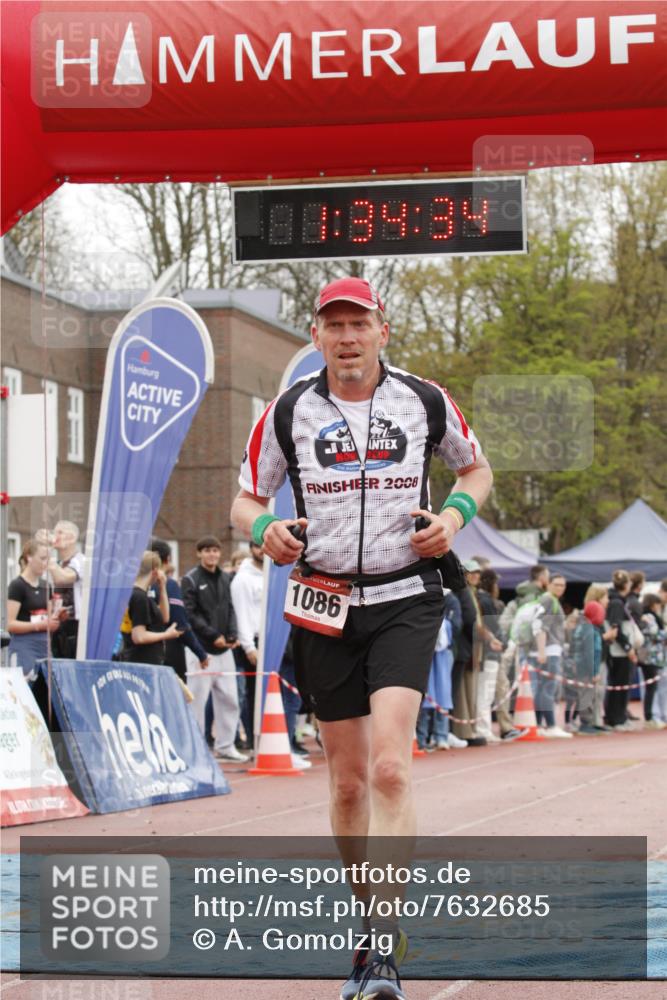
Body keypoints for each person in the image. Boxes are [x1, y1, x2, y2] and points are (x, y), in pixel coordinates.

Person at [231, 275, 493, 1000]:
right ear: (315, 336)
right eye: (333, 325)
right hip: (324, 604)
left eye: (359, 324)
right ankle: (365, 925)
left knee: (388, 769)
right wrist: (263, 529)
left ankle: (385, 945)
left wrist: (455, 514)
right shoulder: (286, 413)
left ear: (382, 330)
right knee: (346, 783)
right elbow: (245, 496)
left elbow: (475, 465)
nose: (347, 338)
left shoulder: (424, 399)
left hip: (406, 595)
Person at [181, 536, 249, 763]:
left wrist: (231, 635)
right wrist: (213, 636)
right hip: (200, 651)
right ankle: (196, 748)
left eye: (215, 551)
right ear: (199, 553)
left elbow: (231, 608)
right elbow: (190, 614)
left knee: (230, 699)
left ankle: (226, 746)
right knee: (197, 701)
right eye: (207, 550)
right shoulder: (190, 579)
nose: (212, 555)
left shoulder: (226, 578)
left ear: (220, 553)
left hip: (224, 650)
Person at [149, 538, 208, 681]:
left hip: (137, 653)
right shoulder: (169, 585)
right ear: (168, 559)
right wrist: (200, 653)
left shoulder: (136, 584)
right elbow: (179, 625)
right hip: (166, 652)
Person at [7, 540, 61, 680]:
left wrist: (56, 619)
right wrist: (38, 626)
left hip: (44, 646)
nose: (46, 563)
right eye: (42, 558)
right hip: (24, 646)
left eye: (48, 559)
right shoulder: (17, 585)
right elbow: (10, 624)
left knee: (48, 691)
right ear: (29, 558)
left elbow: (49, 620)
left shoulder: (46, 585)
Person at [230, 540, 264, 752]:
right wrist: (249, 647)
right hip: (253, 642)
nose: (262, 550)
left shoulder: (270, 575)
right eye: (257, 546)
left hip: (269, 641)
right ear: (251, 549)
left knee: (267, 694)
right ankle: (253, 741)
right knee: (252, 695)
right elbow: (241, 613)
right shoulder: (242, 579)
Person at [122, 551, 183, 665]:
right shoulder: (139, 597)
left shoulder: (140, 594)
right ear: (155, 570)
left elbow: (165, 618)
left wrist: (162, 588)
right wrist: (167, 635)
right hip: (141, 661)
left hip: (144, 660)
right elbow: (139, 637)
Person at [530, 574, 571, 738]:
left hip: (547, 649)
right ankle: (551, 725)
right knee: (548, 689)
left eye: (563, 585)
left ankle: (540, 724)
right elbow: (541, 626)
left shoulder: (548, 599)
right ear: (549, 584)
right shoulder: (549, 600)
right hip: (549, 650)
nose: (560, 588)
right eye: (557, 584)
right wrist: (541, 651)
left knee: (542, 689)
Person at [604, 570, 640, 729]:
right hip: (619, 652)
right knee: (619, 684)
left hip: (620, 650)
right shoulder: (617, 603)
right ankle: (616, 719)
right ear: (627, 584)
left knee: (619, 684)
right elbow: (616, 629)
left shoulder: (618, 601)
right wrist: (628, 648)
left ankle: (618, 716)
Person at [47, 520, 84, 658]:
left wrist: (48, 555)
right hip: (58, 626)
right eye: (54, 532)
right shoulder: (58, 563)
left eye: (60, 532)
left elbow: (63, 578)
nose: (55, 536)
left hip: (75, 626)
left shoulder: (80, 560)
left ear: (72, 538)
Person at [639, 593, 667, 728]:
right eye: (658, 605)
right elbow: (654, 633)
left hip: (657, 656)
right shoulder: (648, 617)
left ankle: (659, 716)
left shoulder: (654, 617)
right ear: (652, 604)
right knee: (652, 688)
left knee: (657, 687)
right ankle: (651, 717)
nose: (659, 607)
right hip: (650, 657)